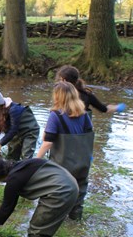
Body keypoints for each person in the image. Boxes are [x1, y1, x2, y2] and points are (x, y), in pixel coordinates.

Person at [36, 81, 94, 220]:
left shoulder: (55, 115)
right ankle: (75, 220)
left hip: (62, 164)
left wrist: (36, 160)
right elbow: (89, 135)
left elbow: (47, 142)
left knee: (58, 192)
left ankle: (56, 219)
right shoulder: (84, 114)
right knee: (80, 190)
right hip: (82, 162)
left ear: (58, 97)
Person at [0, 158, 78, 237]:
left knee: (37, 231)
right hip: (71, 182)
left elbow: (6, 207)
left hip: (61, 191)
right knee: (46, 225)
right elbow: (11, 204)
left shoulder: (13, 180)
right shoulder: (21, 165)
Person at [0, 88, 40, 161]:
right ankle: (12, 171)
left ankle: (27, 170)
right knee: (11, 157)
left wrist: (0, 143)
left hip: (29, 131)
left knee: (26, 157)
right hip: (16, 133)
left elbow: (13, 129)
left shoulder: (14, 109)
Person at [56, 65, 126, 118]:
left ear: (64, 80)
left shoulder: (59, 94)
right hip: (82, 133)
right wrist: (117, 107)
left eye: (59, 79)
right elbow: (104, 109)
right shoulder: (86, 94)